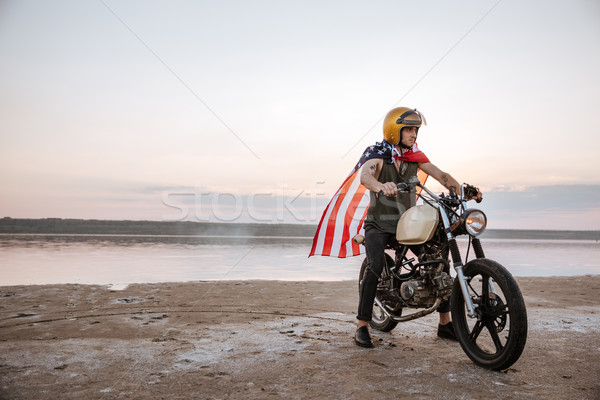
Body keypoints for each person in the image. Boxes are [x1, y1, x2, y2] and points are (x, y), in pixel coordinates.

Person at [354, 106, 481, 348]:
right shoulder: (378, 154)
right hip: (379, 224)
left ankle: (445, 323)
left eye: (416, 129)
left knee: (439, 261)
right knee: (375, 265)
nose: (414, 134)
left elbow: (442, 176)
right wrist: (380, 186)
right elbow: (365, 177)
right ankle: (362, 325)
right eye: (409, 129)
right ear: (394, 130)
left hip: (408, 225)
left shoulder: (415, 157)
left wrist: (464, 192)